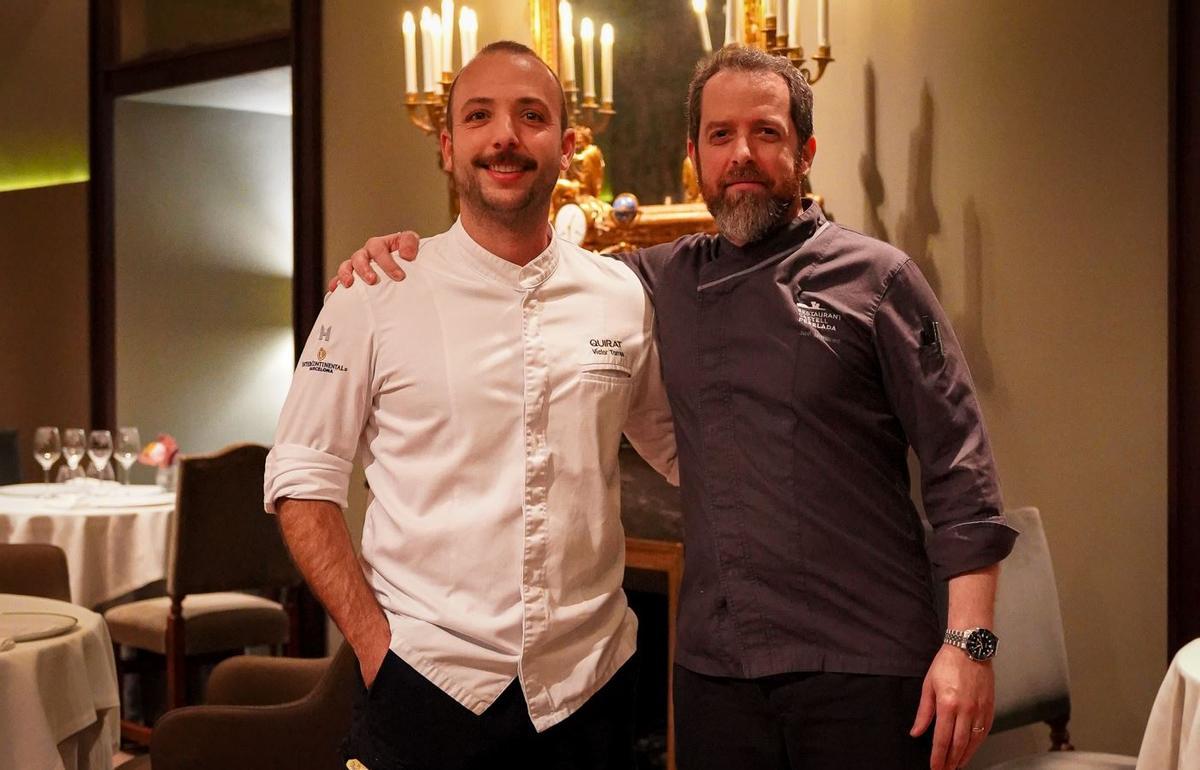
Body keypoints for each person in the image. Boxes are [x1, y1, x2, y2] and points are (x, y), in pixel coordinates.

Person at [334, 45, 1017, 770]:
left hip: (867, 667)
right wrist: (410, 257)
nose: (741, 155)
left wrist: (968, 646)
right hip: (716, 678)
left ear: (806, 150)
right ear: (694, 158)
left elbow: (961, 472)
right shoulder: (652, 281)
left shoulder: (881, 279)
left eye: (767, 132)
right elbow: (528, 275)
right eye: (719, 136)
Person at [266, 40, 676, 770]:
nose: (506, 137)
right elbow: (300, 481)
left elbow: (680, 449)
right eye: (480, 116)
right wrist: (374, 649)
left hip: (594, 690)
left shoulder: (620, 297)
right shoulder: (374, 292)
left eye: (531, 115)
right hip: (425, 688)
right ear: (448, 146)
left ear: (568, 144)